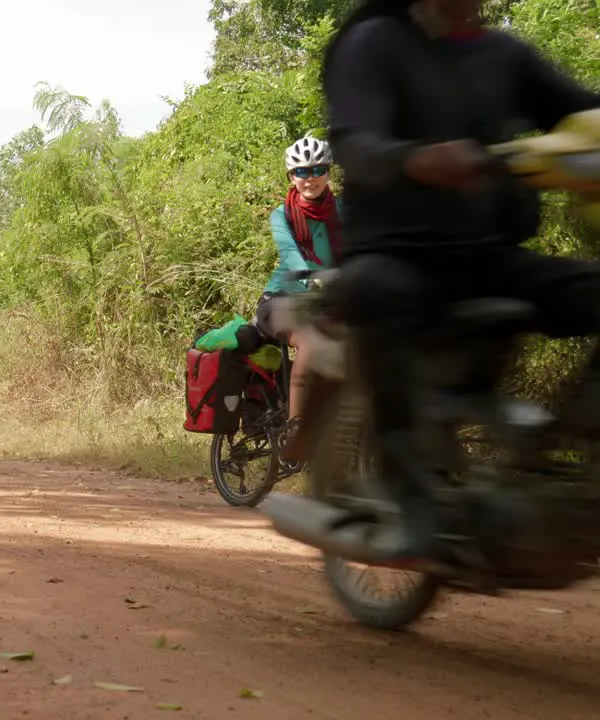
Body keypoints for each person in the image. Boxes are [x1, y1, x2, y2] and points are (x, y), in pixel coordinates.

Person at [322, 0, 600, 562]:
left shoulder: (506, 55)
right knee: (374, 291)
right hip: (394, 255)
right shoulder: (375, 41)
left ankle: (574, 451)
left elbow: (583, 110)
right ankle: (413, 496)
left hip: (488, 255)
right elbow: (356, 142)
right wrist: (416, 160)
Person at [253, 135, 343, 451]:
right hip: (280, 300)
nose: (310, 178)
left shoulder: (342, 211)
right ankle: (296, 429)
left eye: (318, 169)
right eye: (302, 171)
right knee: (308, 341)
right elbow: (291, 254)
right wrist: (313, 279)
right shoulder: (283, 215)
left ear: (328, 172)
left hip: (325, 301)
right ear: (292, 177)